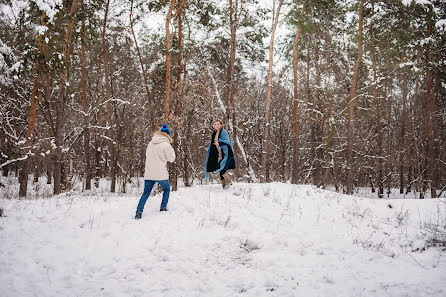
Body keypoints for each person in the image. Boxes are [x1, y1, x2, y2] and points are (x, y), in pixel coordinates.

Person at [135, 124, 175, 219]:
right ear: (167, 135)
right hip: (161, 173)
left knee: (146, 193)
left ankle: (138, 212)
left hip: (149, 173)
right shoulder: (166, 145)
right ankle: (163, 207)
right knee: (166, 189)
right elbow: (171, 159)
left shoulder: (150, 143)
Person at [204, 120, 236, 188]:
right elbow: (213, 143)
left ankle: (228, 182)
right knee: (219, 168)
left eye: (218, 124)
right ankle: (224, 186)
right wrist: (210, 149)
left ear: (221, 125)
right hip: (219, 153)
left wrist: (219, 143)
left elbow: (226, 141)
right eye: (215, 124)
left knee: (223, 168)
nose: (216, 126)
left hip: (226, 152)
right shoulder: (214, 133)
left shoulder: (224, 132)